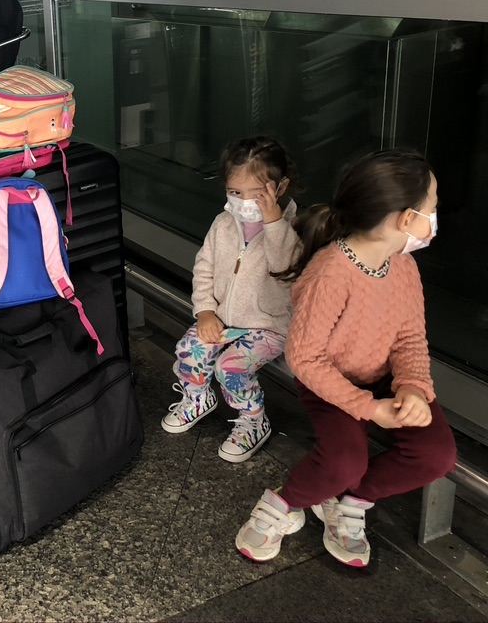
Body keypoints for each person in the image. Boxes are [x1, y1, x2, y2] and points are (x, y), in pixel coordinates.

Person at [235, 149, 457, 568]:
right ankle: (282, 505)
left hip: (382, 378)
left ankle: (350, 502)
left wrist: (412, 387)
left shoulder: (403, 266)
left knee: (436, 456)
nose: (435, 216)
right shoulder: (330, 272)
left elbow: (410, 338)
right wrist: (368, 408)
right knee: (343, 461)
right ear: (405, 219)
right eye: (432, 206)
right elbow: (306, 360)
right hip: (328, 380)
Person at [161, 136, 300, 463]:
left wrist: (274, 223)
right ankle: (197, 398)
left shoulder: (293, 227)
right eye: (236, 193)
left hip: (268, 326)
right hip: (224, 318)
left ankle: (253, 418)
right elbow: (204, 267)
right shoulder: (224, 223)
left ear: (280, 188)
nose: (246, 202)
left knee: (231, 368)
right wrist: (206, 311)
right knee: (189, 350)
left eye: (258, 193)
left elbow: (284, 268)